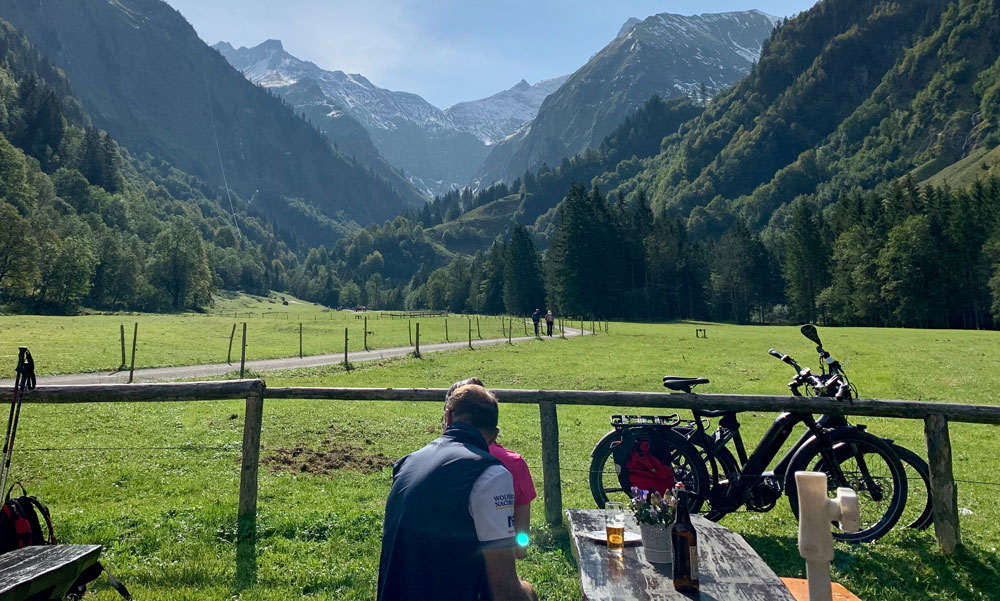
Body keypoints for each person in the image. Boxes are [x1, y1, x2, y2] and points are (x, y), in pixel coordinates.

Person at [378, 383, 537, 601]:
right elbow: (505, 592)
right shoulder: (491, 475)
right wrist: (529, 593)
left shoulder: (407, 462)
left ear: (448, 418)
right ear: (494, 435)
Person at [446, 378, 537, 560]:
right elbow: (521, 546)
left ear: (448, 418)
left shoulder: (428, 463)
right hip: (495, 568)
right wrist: (519, 544)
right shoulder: (515, 464)